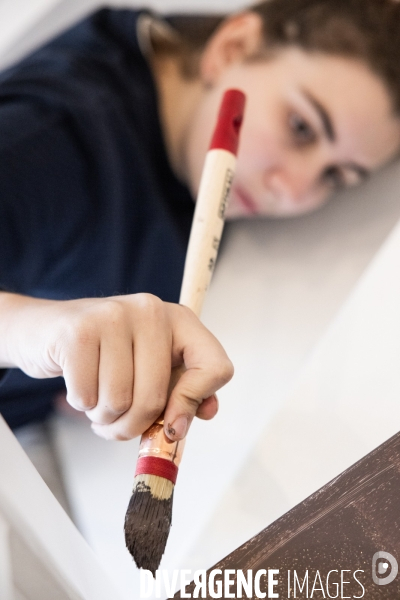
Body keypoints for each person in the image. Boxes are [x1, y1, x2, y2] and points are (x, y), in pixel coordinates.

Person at [0, 0, 400, 442]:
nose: (293, 190)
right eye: (301, 127)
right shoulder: (53, 134)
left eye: (335, 176)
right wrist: (40, 333)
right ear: (233, 49)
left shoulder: (199, 165)